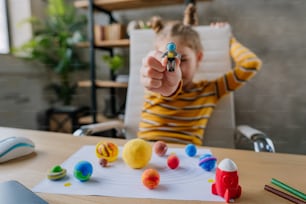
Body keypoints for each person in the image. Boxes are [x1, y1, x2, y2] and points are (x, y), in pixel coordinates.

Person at [138, 6, 262, 145]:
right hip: (146, 150)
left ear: (198, 58)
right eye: (167, 59)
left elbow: (250, 64)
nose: (175, 68)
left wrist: (229, 40)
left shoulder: (211, 90)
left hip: (187, 158)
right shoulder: (156, 84)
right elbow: (171, 90)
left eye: (183, 59)